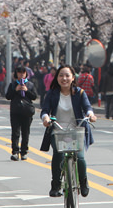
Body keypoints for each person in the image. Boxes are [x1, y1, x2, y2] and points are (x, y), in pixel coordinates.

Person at [40, 65, 97, 198]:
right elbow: (45, 110)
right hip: (58, 130)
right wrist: (46, 118)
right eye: (61, 75)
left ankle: (83, 182)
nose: (64, 78)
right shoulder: (52, 93)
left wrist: (91, 115)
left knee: (80, 157)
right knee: (58, 155)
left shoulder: (80, 93)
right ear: (57, 78)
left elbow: (87, 107)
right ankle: (56, 184)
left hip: (77, 130)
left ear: (73, 77)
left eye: (67, 75)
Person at [6, 65, 38, 161]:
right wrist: (15, 90)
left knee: (25, 132)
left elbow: (34, 97)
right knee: (15, 132)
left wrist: (27, 91)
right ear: (16, 74)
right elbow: (8, 96)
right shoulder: (13, 84)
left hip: (26, 112)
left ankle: (24, 152)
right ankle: (15, 152)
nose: (21, 75)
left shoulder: (30, 85)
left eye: (23, 73)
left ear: (26, 74)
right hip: (15, 111)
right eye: (19, 73)